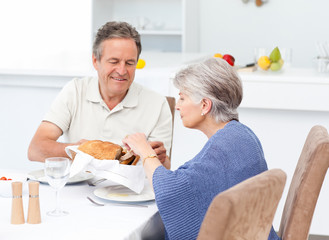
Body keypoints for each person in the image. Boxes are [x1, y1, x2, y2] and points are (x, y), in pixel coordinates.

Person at [122, 57, 280, 240]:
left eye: (182, 98)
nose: (178, 106)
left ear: (205, 105)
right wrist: (159, 162)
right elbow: (196, 183)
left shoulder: (222, 148)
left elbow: (172, 192)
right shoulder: (240, 135)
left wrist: (145, 151)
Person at [28, 21, 172, 169]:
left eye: (129, 63)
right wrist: (82, 150)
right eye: (114, 61)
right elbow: (35, 150)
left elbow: (164, 171)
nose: (122, 71)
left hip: (131, 192)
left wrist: (160, 159)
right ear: (95, 61)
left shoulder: (157, 104)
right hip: (78, 189)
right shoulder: (75, 91)